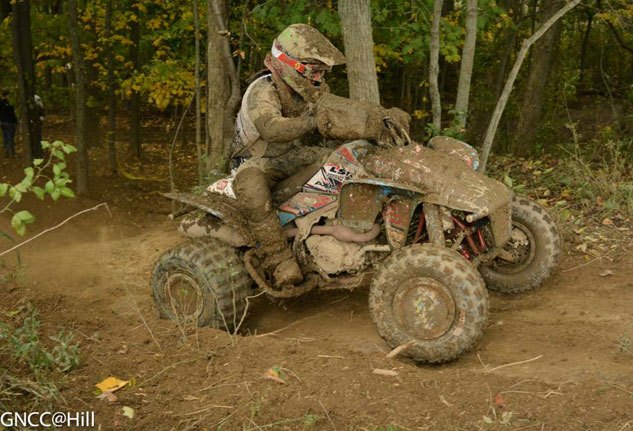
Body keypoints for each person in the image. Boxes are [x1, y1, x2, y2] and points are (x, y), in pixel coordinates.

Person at [231, 24, 346, 288]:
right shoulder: (263, 90)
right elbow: (271, 128)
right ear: (290, 65)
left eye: (322, 72)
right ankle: (278, 258)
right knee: (251, 185)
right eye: (314, 71)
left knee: (340, 159)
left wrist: (368, 121)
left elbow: (334, 112)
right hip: (253, 162)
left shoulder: (310, 91)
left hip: (290, 156)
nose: (318, 78)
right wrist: (315, 123)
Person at [0, 90, 17, 158]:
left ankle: (6, 153)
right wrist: (15, 122)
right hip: (9, 123)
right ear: (7, 95)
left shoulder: (2, 103)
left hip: (4, 123)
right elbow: (11, 113)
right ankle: (11, 154)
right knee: (10, 138)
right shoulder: (8, 103)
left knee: (6, 138)